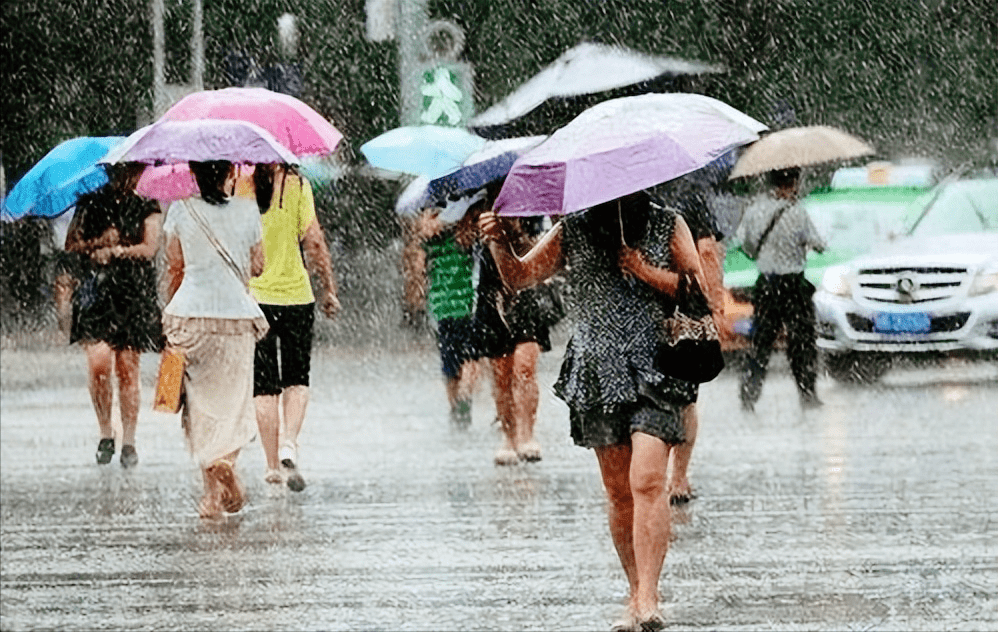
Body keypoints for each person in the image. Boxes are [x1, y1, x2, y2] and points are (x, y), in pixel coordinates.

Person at [480, 192, 708, 631]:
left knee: (646, 481)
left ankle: (649, 596)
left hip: (658, 366)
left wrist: (644, 269)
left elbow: (698, 289)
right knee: (619, 492)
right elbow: (520, 275)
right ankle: (634, 588)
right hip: (598, 372)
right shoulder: (574, 228)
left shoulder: (668, 223)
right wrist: (500, 241)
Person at [162, 160, 268, 519]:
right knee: (233, 402)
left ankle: (211, 497)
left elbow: (174, 265)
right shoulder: (248, 210)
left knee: (196, 403)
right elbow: (258, 265)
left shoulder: (181, 207)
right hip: (236, 317)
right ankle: (225, 463)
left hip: (189, 315)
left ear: (193, 173)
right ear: (229, 173)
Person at [64, 163, 163, 468]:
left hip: (132, 294)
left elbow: (149, 248)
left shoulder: (147, 204)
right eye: (119, 171)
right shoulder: (90, 202)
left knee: (128, 368)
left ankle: (129, 440)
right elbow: (71, 244)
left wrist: (118, 250)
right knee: (99, 364)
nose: (126, 177)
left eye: (131, 171)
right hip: (97, 293)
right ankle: (106, 432)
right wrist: (98, 243)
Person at [249, 164, 340, 492]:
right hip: (297, 297)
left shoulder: (242, 185)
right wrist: (328, 286)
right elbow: (314, 240)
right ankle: (289, 442)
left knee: (264, 386)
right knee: (297, 379)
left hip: (256, 298)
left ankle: (272, 466)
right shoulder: (297, 184)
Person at [654, 177, 727, 505]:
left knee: (647, 391)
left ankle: (648, 472)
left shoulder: (633, 193)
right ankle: (678, 476)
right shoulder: (692, 193)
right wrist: (714, 304)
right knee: (684, 396)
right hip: (684, 304)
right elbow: (708, 251)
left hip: (642, 304)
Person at [735, 167, 826, 411]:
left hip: (766, 285)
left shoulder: (755, 210)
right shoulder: (798, 212)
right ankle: (807, 394)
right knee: (802, 344)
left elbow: (744, 244)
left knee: (760, 343)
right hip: (794, 285)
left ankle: (749, 396)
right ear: (794, 183)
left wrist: (762, 252)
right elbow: (819, 245)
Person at [471, 199, 554, 465]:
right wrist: (482, 230)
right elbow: (462, 241)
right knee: (502, 372)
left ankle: (527, 434)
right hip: (492, 288)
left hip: (526, 286)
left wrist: (514, 232)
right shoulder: (476, 200)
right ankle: (509, 435)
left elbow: (543, 249)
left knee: (525, 367)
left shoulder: (530, 197)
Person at [416, 198, 483, 424]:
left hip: (442, 305)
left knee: (449, 361)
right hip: (467, 303)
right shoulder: (464, 231)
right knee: (471, 357)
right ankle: (464, 399)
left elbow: (419, 270)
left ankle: (455, 407)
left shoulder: (429, 239)